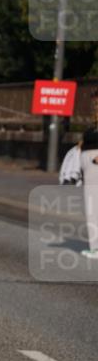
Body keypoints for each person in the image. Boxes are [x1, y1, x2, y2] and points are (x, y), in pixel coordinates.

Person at [80, 89, 98, 259]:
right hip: (89, 165)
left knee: (93, 206)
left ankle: (97, 248)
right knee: (92, 206)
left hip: (95, 165)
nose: (94, 104)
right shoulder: (94, 122)